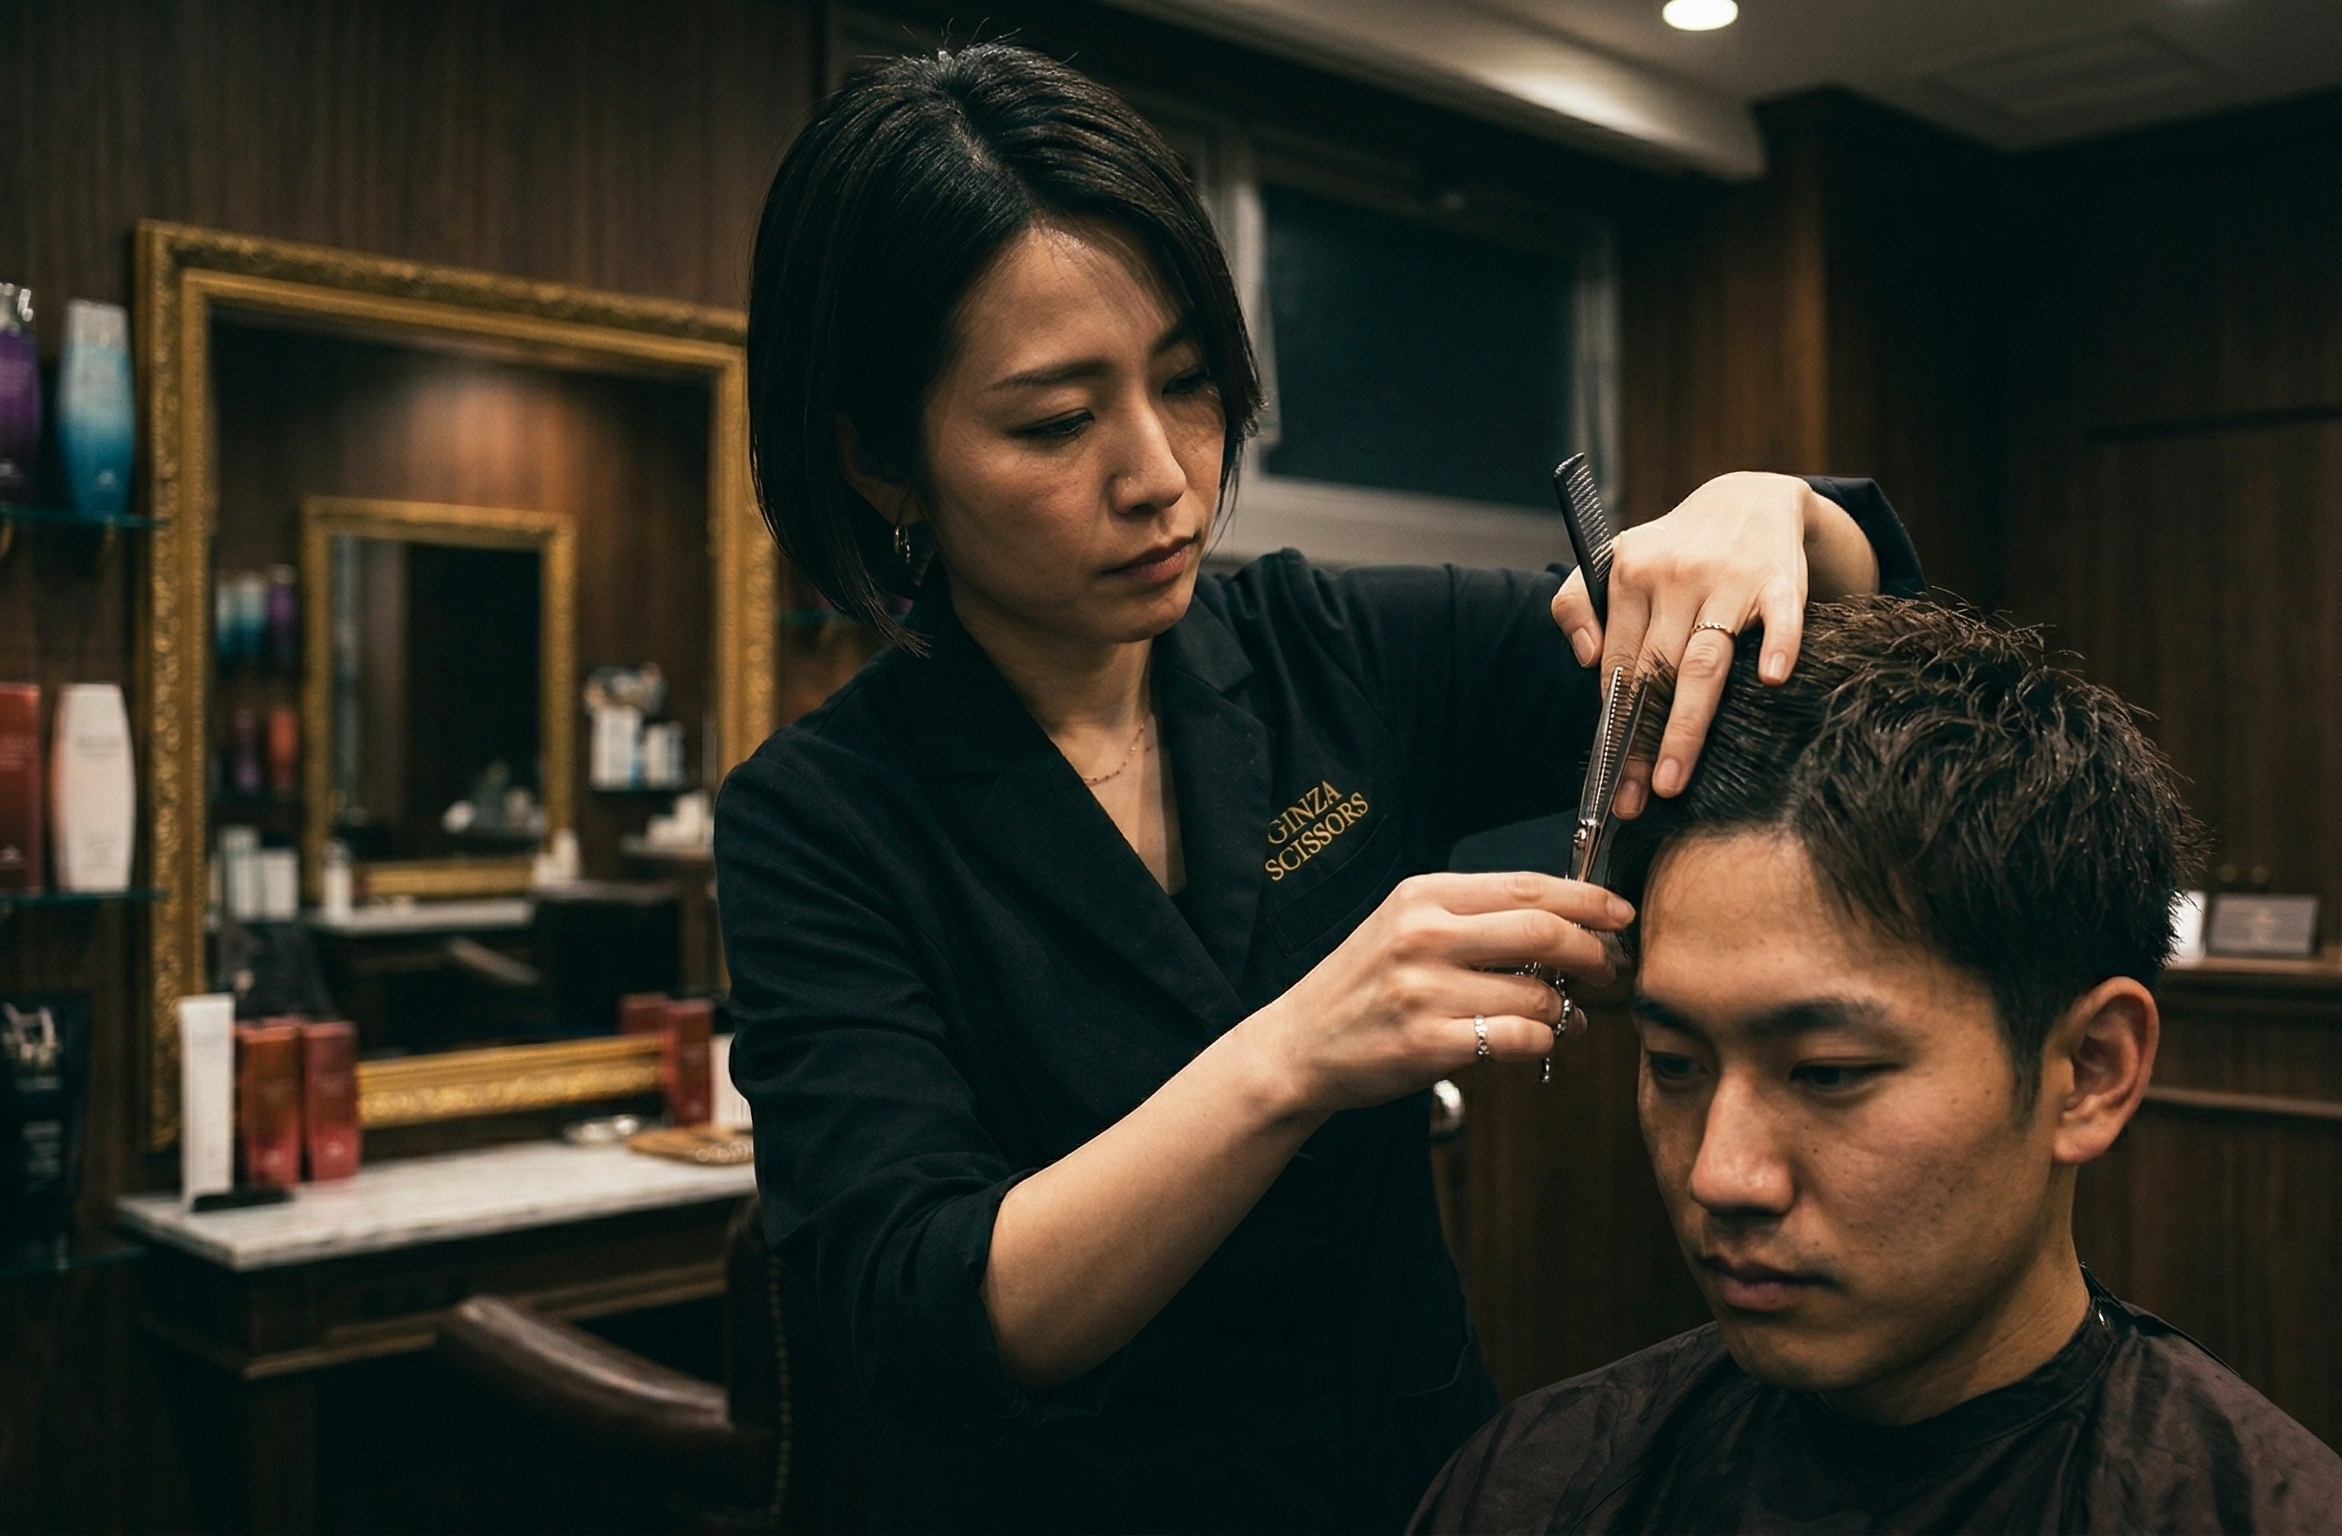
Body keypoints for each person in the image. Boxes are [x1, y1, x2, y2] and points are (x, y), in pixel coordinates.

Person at [716, 43, 1927, 1534]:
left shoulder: (1332, 650)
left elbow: (1819, 676)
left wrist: (1780, 519)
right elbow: (932, 1309)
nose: (1159, 474)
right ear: (884, 459)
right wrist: (1297, 1051)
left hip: (1401, 1484)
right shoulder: (821, 819)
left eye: (1185, 382)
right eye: (1052, 421)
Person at [1411, 600, 2342, 1535]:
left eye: (1828, 1074)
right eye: (1675, 1064)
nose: (1721, 1177)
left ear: (2089, 1072)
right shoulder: (1537, 1487)